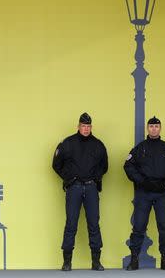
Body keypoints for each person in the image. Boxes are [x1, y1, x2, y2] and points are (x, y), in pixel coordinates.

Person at [124, 116, 165, 270]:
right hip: (144, 192)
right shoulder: (140, 147)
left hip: (162, 192)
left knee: (164, 226)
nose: (154, 129)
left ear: (160, 129)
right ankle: (134, 260)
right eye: (151, 126)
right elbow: (128, 166)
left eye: (156, 127)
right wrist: (141, 182)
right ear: (147, 129)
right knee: (139, 226)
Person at [52, 112, 108, 271]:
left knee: (94, 224)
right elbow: (56, 164)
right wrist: (69, 178)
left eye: (88, 126)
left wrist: (95, 177)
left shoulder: (98, 144)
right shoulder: (68, 143)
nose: (86, 129)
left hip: (91, 188)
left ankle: (96, 262)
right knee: (71, 224)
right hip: (74, 188)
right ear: (78, 126)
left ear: (91, 127)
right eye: (83, 126)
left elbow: (104, 166)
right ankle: (67, 262)